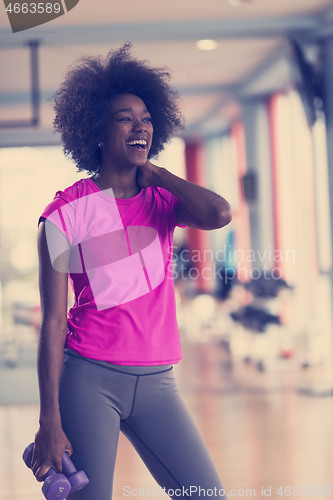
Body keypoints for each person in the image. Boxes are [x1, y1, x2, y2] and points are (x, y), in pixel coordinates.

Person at [31, 44, 232, 499]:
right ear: (97, 131)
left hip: (159, 381)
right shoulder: (64, 214)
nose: (140, 125)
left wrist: (158, 175)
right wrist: (49, 419)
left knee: (206, 494)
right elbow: (53, 321)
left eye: (145, 118)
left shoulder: (161, 201)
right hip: (89, 379)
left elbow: (219, 213)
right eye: (125, 117)